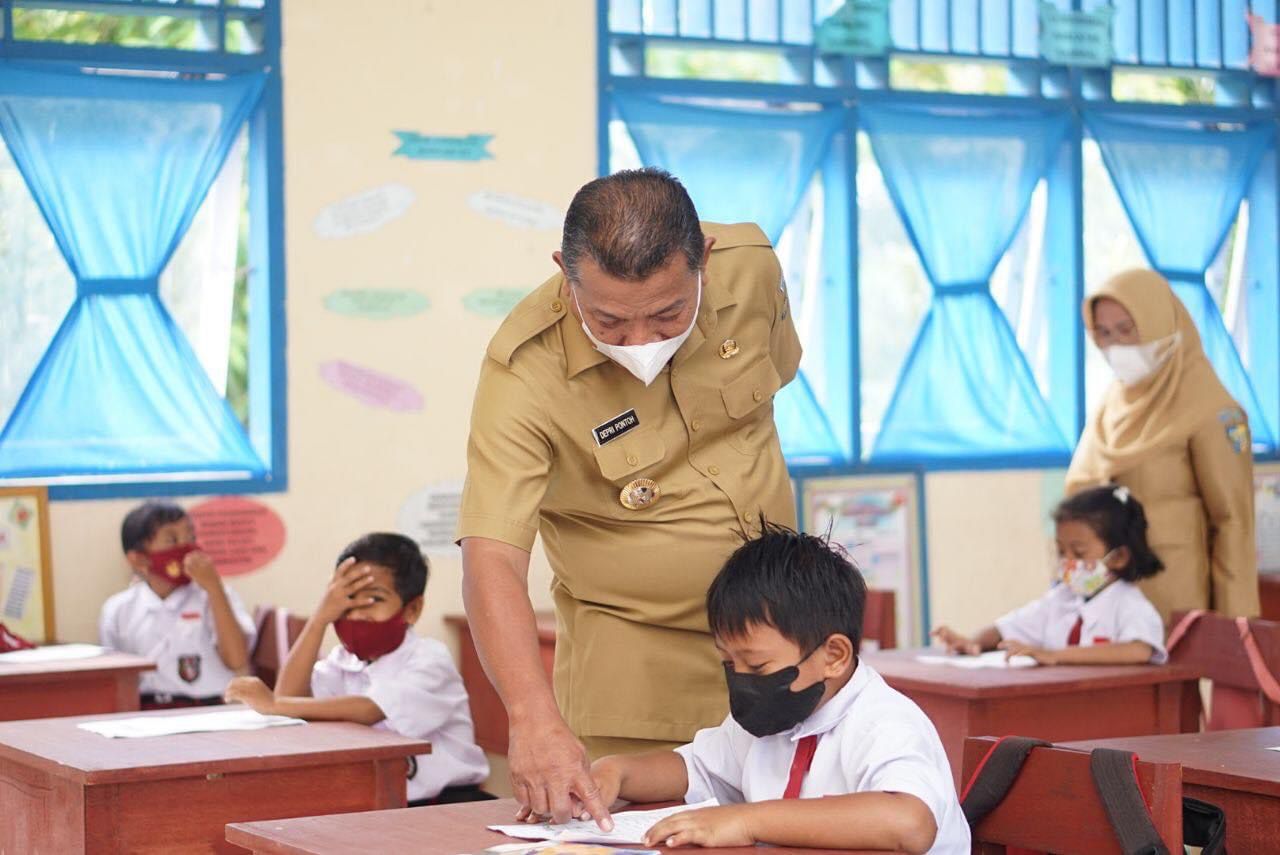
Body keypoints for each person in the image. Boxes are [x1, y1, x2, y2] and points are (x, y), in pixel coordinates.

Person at [457, 168, 801, 827]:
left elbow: (776, 375)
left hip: (781, 647)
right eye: (609, 320)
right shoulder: (524, 373)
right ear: (566, 272)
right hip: (637, 675)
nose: (641, 342)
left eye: (668, 313)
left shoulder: (752, 271)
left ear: (702, 256)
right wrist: (531, 717)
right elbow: (491, 557)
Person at [591, 523, 968, 853]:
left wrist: (748, 820)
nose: (741, 678)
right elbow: (698, 769)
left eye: (757, 666)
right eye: (729, 663)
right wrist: (618, 772)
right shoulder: (770, 715)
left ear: (834, 655)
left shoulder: (884, 722)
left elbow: (909, 823)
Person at [224, 533, 490, 806]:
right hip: (379, 803)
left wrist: (275, 705)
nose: (358, 613)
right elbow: (290, 697)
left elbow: (369, 709)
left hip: (447, 802)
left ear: (412, 609)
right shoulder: (343, 660)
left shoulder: (429, 659)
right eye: (348, 600)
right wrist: (319, 619)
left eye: (373, 600)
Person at [1066, 268, 1258, 621]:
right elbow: (1079, 499)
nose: (1117, 346)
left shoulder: (1212, 410)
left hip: (1173, 604)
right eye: (1104, 333)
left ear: (1160, 323)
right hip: (1103, 601)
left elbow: (1233, 523)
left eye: (1127, 329)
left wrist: (1236, 631)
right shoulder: (1110, 407)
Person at [932, 485, 1167, 665]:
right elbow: (1006, 628)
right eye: (1061, 551)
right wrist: (973, 642)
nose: (1067, 561)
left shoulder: (1128, 603)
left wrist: (1056, 655)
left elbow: (1139, 650)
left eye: (1079, 552)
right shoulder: (1059, 599)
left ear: (1118, 557)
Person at [100, 501, 254, 708]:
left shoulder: (215, 596)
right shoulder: (119, 609)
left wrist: (214, 588)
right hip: (146, 713)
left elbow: (237, 660)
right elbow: (111, 678)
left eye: (191, 537)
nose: (186, 548)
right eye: (172, 540)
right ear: (139, 560)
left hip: (211, 709)